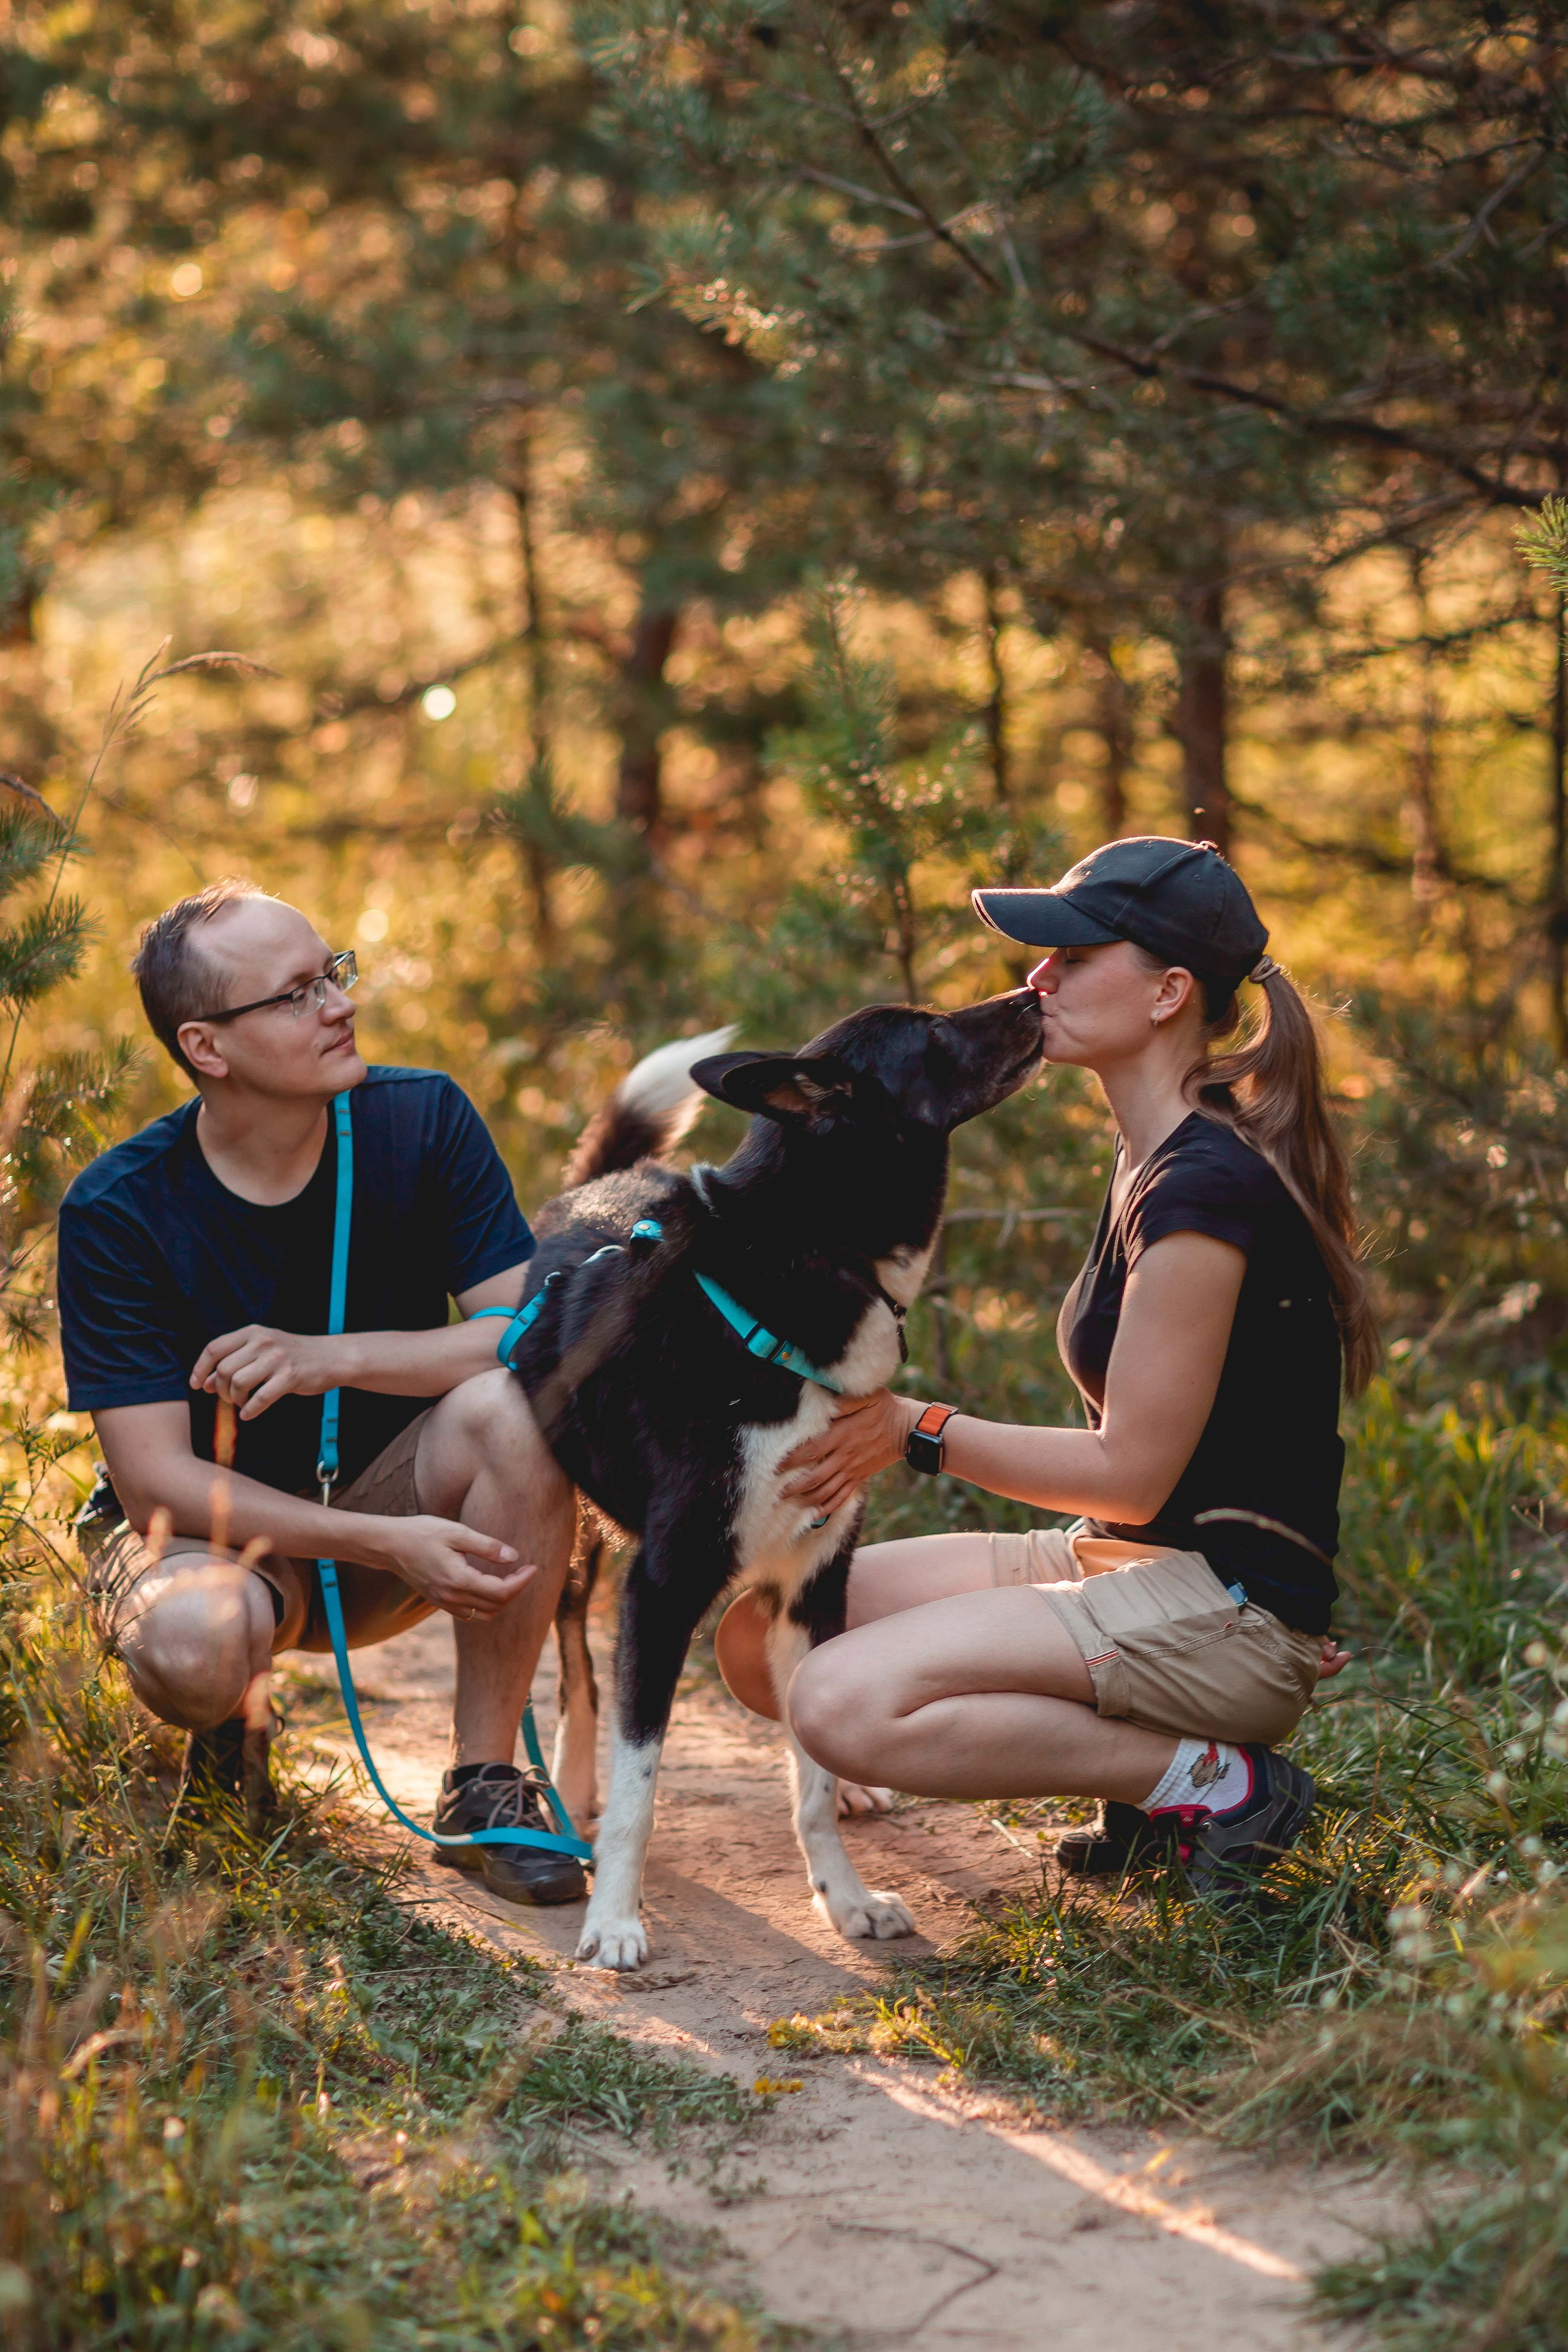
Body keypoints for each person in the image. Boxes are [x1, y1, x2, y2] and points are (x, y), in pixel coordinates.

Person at [714, 838, 1371, 1891]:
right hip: (1137, 1568)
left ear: (1167, 992)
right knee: (769, 1637)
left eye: (1074, 954)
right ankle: (1153, 1775)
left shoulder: (1203, 1192)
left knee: (840, 1702)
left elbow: (1130, 1474)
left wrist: (914, 1429)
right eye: (1041, 955)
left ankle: (1218, 1783)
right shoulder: (1154, 1156)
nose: (1039, 977)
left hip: (1224, 1608)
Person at [59, 879, 584, 1906]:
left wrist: (328, 1358)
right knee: (196, 1641)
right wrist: (383, 1545)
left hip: (395, 1498)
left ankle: (485, 1785)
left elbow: (529, 1337)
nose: (340, 1004)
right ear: (207, 1047)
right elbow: (158, 1481)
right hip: (213, 1543)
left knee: (520, 1412)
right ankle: (229, 1740)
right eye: (295, 994)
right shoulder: (119, 1209)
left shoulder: (421, 1119)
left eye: (333, 973)